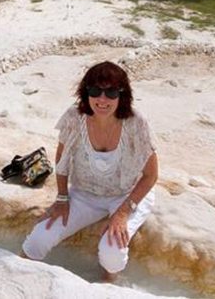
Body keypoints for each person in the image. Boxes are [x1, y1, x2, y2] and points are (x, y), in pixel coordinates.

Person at [21, 61, 158, 280]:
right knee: (38, 239)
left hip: (126, 195)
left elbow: (151, 175)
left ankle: (108, 283)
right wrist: (62, 198)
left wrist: (122, 213)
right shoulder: (75, 117)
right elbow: (62, 159)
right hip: (85, 193)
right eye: (95, 91)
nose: (102, 100)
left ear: (122, 95)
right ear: (86, 93)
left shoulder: (135, 123)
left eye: (111, 92)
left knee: (112, 253)